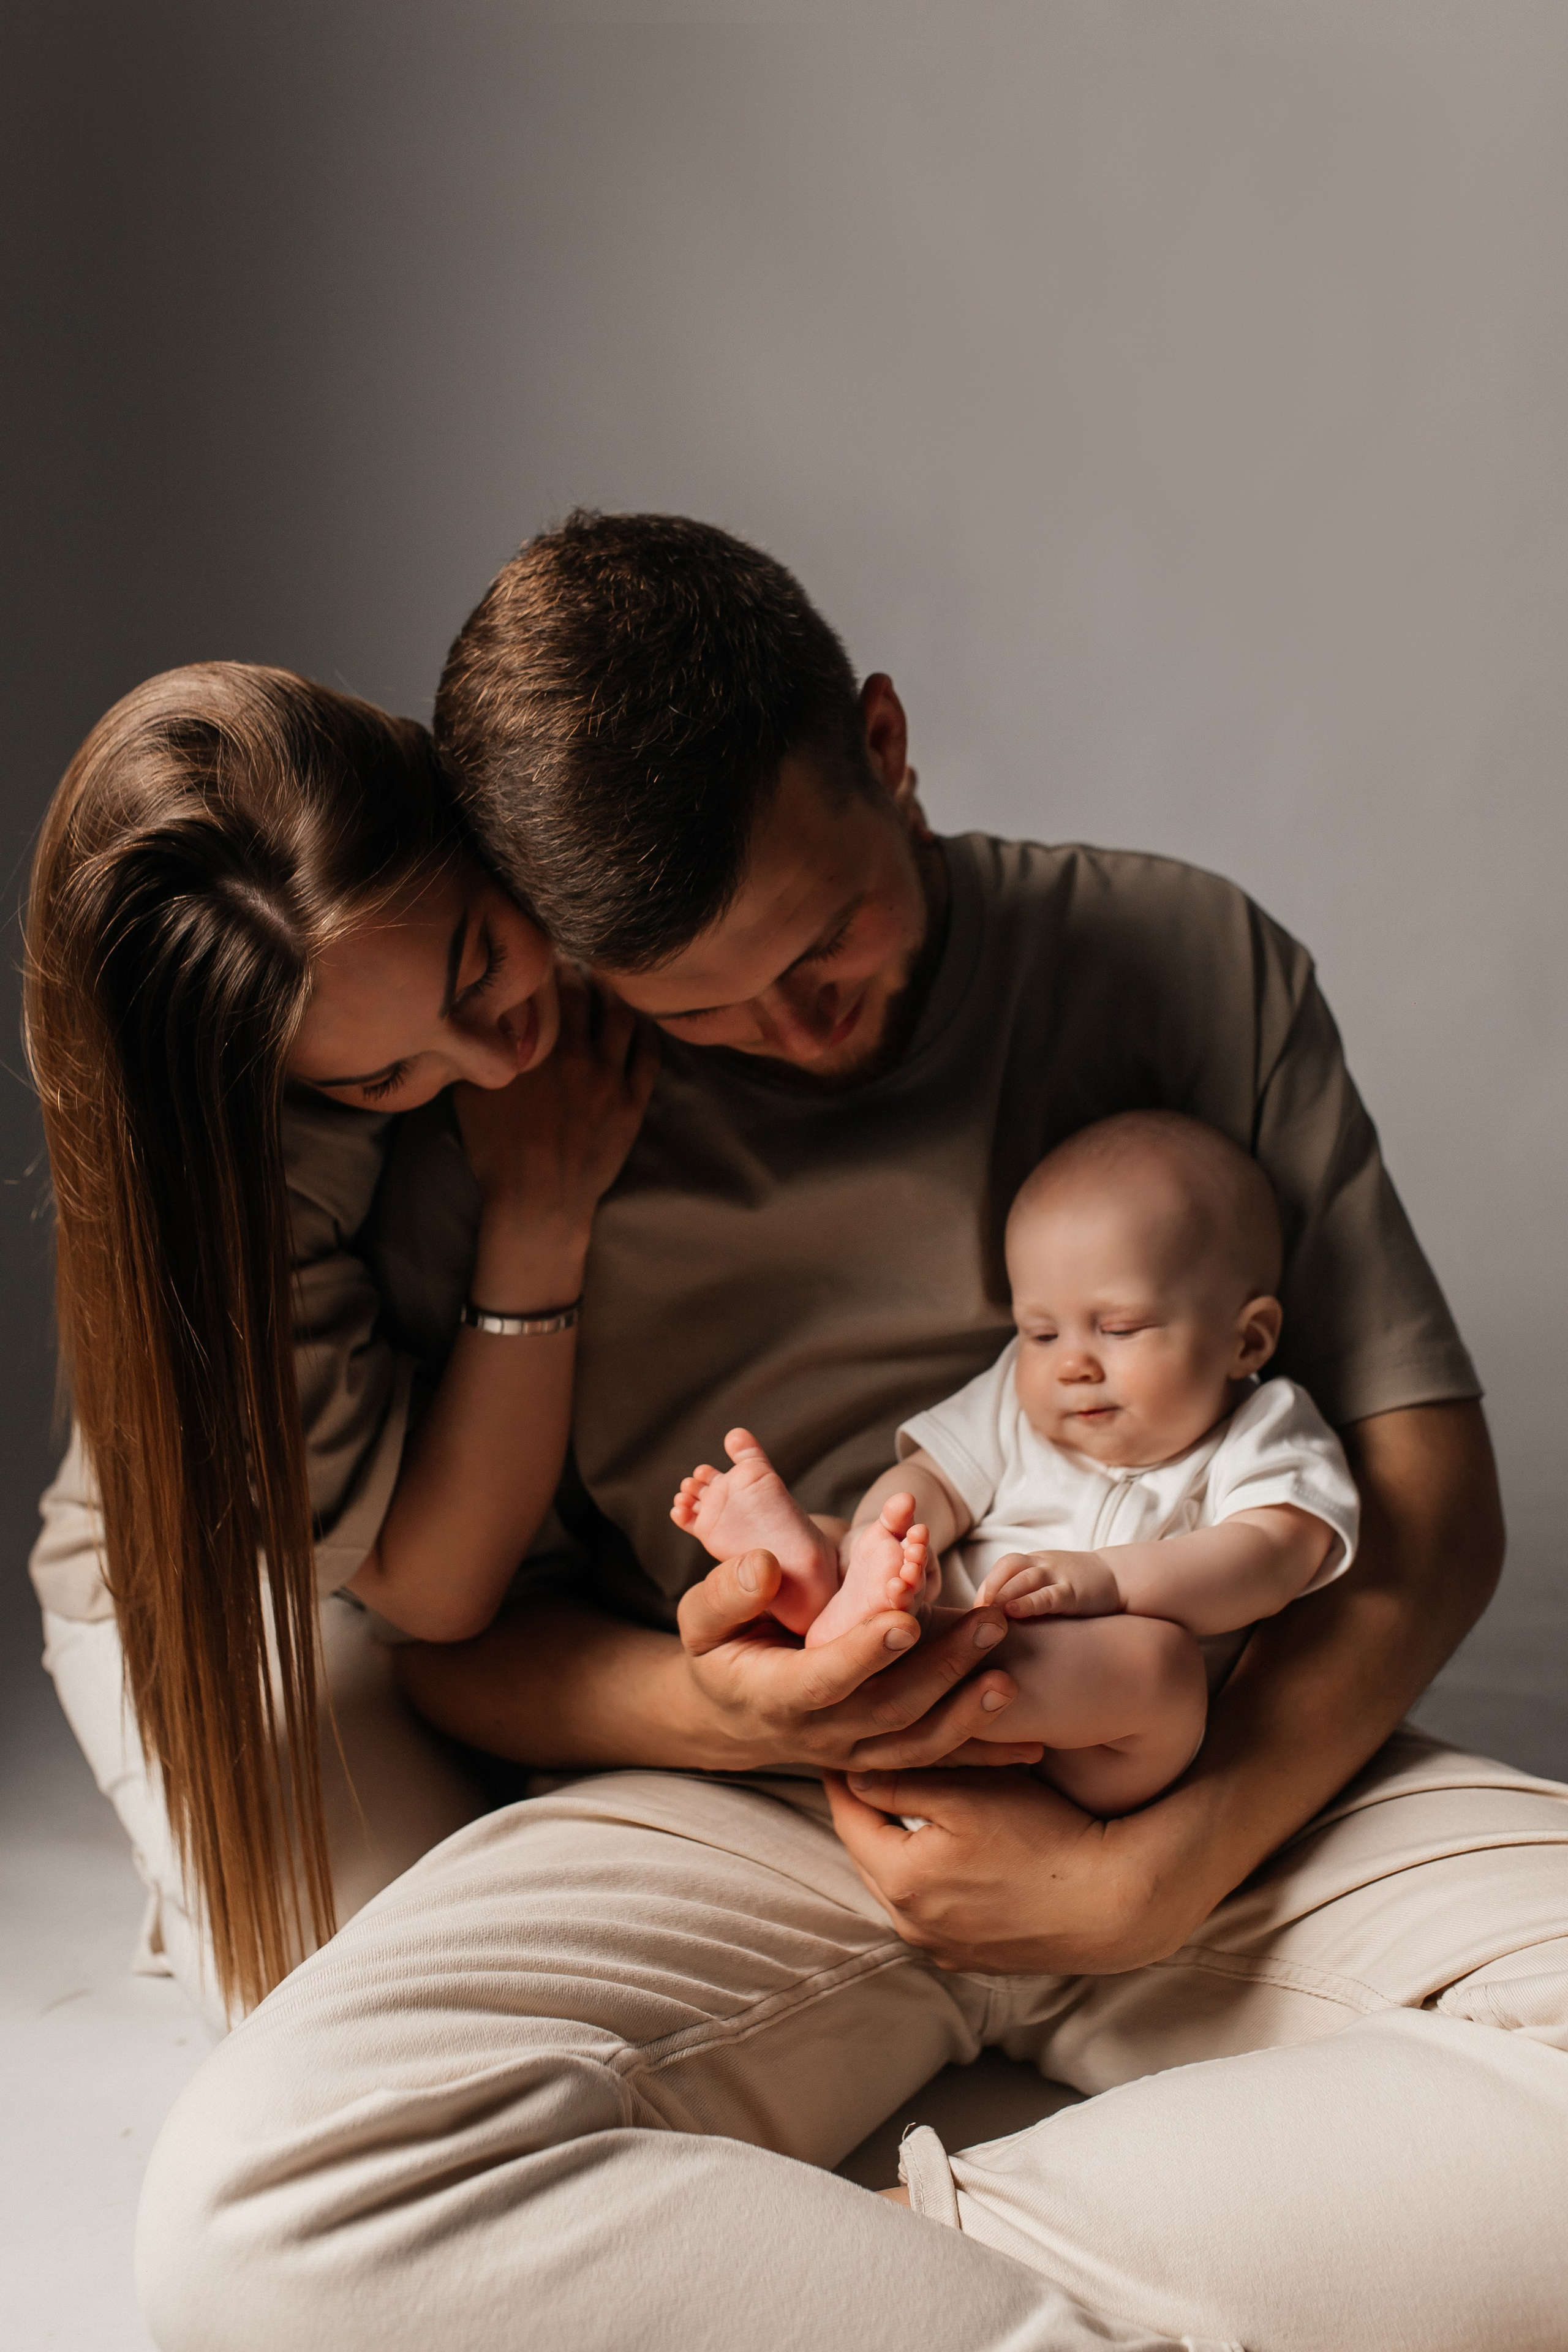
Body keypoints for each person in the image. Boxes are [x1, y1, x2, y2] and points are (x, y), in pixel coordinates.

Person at [135, 518, 1568, 2352]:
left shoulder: (1181, 954)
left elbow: (1428, 1502)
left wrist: (1162, 1856)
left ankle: (927, 2255)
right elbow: (460, 1640)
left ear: (885, 747)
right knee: (247, 2217)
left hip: (1198, 1759)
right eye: (695, 1005)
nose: (792, 1030)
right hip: (759, 1810)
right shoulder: (504, 1121)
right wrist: (730, 1705)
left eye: (824, 943)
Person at [24, 660, 652, 2029]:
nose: (490, 1060)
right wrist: (537, 1219)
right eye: (384, 1078)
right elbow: (429, 1592)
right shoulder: (238, 1170)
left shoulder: (561, 861)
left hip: (513, 1564)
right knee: (398, 2020)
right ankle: (190, 1843)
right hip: (255, 1594)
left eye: (477, 959)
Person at [671, 1111, 1360, 1815]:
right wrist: (892, 1532)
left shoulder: (1264, 1428)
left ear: (1245, 1341)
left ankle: (887, 1640)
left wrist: (1108, 1581)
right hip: (925, 1683)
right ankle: (825, 1585)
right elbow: (934, 1479)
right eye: (1040, 1331)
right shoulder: (1013, 1398)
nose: (1072, 1364)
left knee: (1162, 1668)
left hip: (1095, 1752)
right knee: (849, 1529)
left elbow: (1270, 1557)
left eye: (1118, 1329)